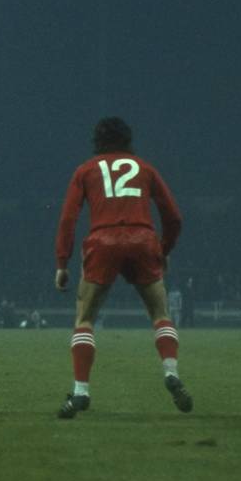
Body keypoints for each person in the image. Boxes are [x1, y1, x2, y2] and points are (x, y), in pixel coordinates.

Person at [53, 117, 190, 419]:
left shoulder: (85, 170)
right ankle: (170, 371)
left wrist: (62, 262)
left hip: (103, 240)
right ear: (128, 141)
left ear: (96, 143)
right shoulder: (145, 168)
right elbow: (174, 217)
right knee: (160, 314)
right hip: (143, 238)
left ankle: (80, 391)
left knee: (85, 318)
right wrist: (162, 250)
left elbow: (68, 219)